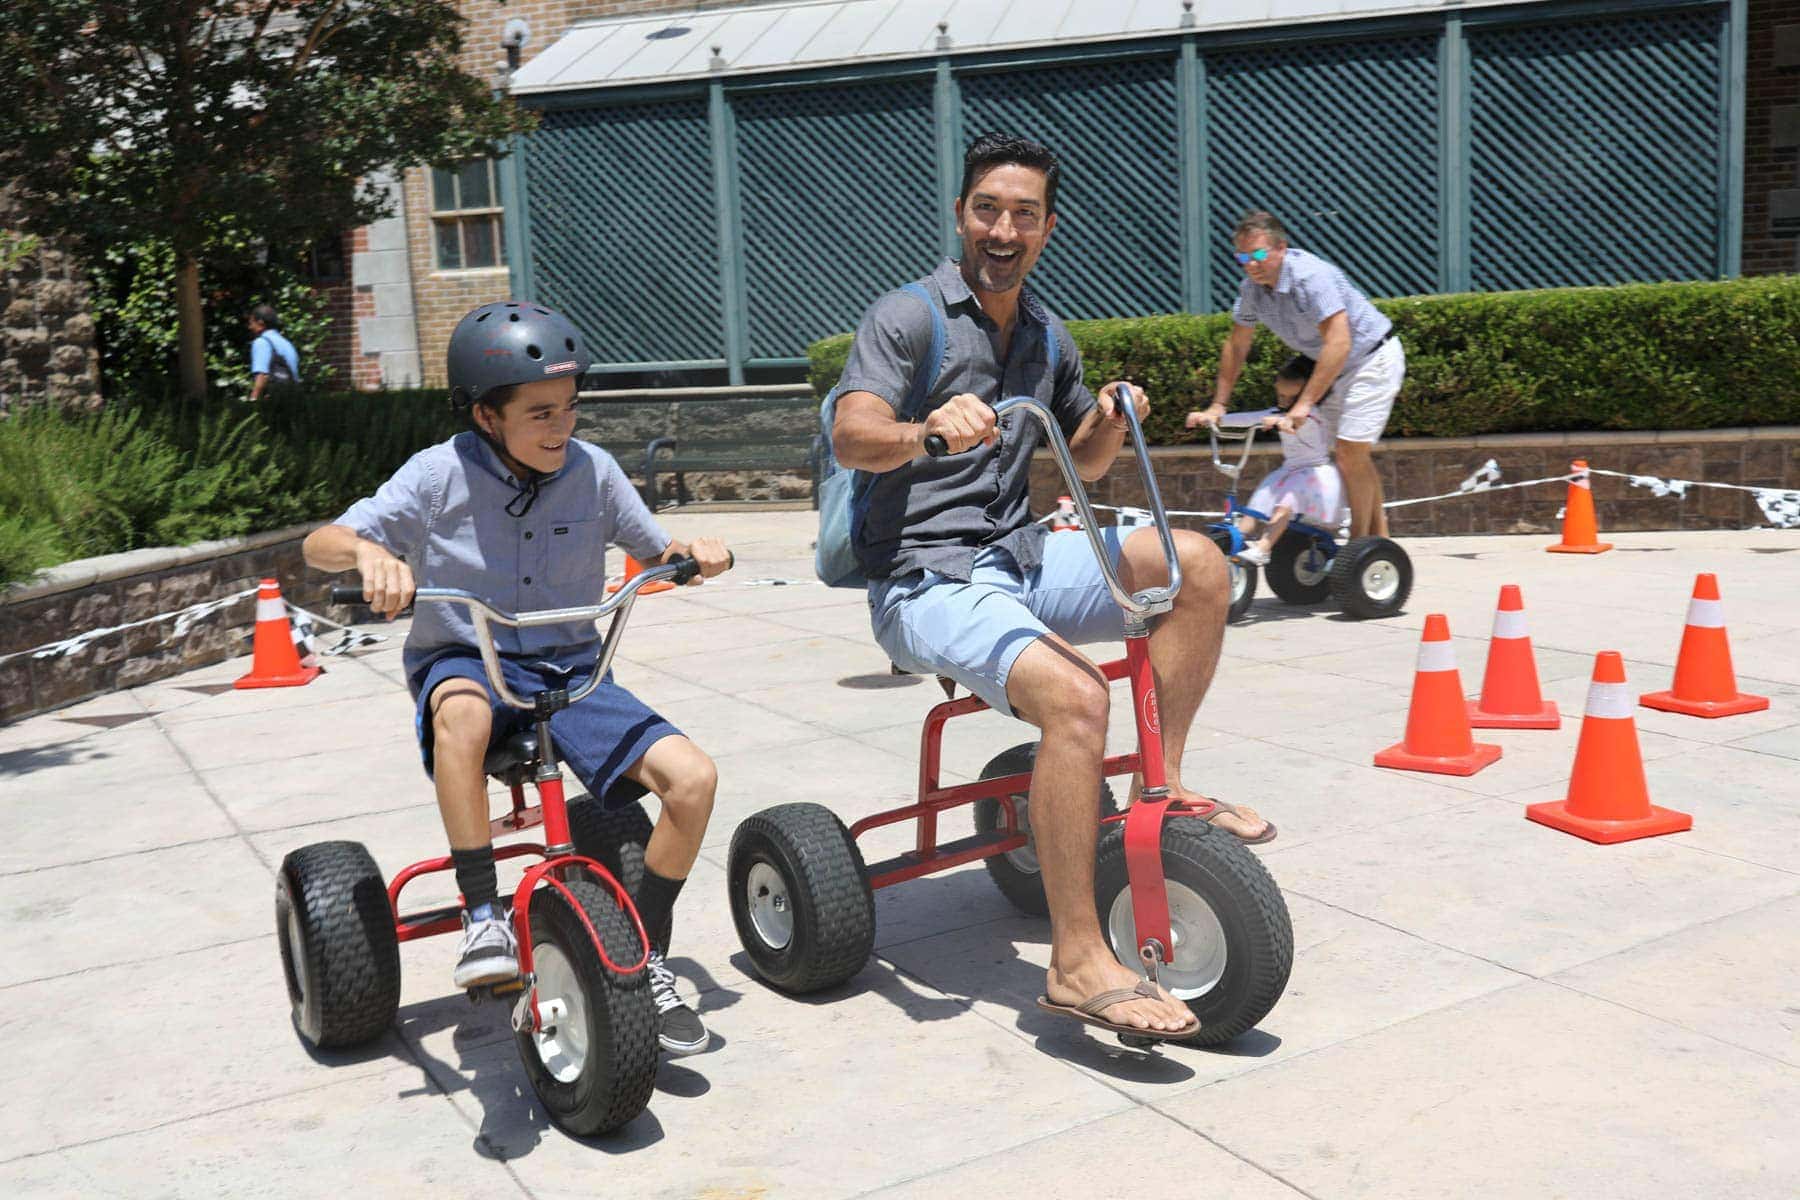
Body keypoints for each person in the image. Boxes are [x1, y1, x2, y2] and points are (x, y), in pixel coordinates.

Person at [830, 132, 1273, 1042]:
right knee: (1077, 699)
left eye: (1024, 214)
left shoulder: (1045, 334)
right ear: (961, 216)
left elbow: (1087, 464)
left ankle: (1165, 784)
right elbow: (852, 433)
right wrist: (927, 431)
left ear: (1047, 227)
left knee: (1196, 564)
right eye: (988, 208)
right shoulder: (907, 319)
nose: (1004, 228)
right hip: (924, 578)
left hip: (1018, 555)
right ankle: (1076, 961)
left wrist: (1111, 417)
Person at [301, 301, 732, 1058]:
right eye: (539, 413)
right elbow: (320, 542)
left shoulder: (593, 472)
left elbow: (659, 552)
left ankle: (642, 956)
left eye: (568, 408)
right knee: (461, 717)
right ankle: (481, 913)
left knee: (694, 781)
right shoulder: (438, 475)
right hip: (470, 657)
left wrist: (694, 552)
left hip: (571, 665)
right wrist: (369, 556)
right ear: (486, 416)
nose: (559, 428)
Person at [1186, 211, 1404, 539]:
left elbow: (1339, 341)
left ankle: (1360, 546)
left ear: (1281, 248)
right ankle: (1379, 543)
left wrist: (1303, 404)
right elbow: (1237, 344)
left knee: (1349, 452)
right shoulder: (1251, 290)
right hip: (1335, 366)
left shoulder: (1310, 278)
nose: (1251, 264)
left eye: (1259, 254)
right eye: (1243, 257)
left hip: (1371, 358)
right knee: (1351, 454)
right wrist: (1218, 405)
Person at [1231, 354, 1346, 566]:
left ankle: (1264, 548)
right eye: (1280, 395)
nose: (1282, 401)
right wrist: (1215, 418)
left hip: (1313, 475)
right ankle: (1232, 543)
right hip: (1289, 471)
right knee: (1255, 506)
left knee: (1284, 505)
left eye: (1289, 398)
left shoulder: (1312, 414)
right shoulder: (1279, 412)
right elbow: (1248, 418)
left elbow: (1303, 424)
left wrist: (1281, 421)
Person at [246, 304, 300, 401]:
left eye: (251, 323)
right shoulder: (287, 344)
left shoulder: (262, 342)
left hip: (275, 403)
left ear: (260, 324)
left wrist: (253, 402)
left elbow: (261, 376)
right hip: (293, 400)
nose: (250, 327)